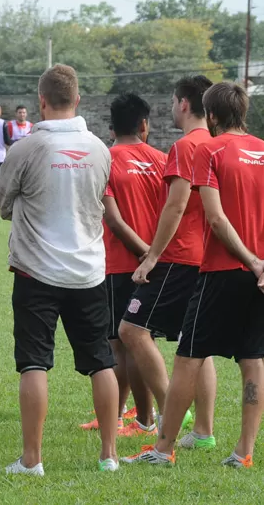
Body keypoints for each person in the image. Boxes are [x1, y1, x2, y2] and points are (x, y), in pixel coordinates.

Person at [123, 82, 264, 469]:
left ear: (212, 115)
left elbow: (215, 218)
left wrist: (250, 260)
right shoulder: (263, 150)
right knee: (252, 360)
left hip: (221, 270)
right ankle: (243, 452)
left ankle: (162, 450)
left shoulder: (208, 150)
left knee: (188, 357)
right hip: (258, 275)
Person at [0, 65, 119, 475]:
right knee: (101, 360)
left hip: (36, 272)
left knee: (34, 363)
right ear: (79, 100)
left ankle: (32, 459)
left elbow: (4, 206)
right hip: (89, 271)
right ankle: (109, 455)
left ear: (41, 101)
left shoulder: (26, 148)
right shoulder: (101, 149)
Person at [120, 76, 217, 451]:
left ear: (184, 104)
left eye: (174, 100)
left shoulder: (185, 147)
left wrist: (153, 256)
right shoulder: (215, 144)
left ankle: (168, 414)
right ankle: (204, 433)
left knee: (130, 329)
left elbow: (176, 205)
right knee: (195, 344)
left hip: (179, 257)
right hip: (205, 256)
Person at [88, 94, 163, 437]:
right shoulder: (163, 160)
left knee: (122, 344)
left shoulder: (105, 160)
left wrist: (143, 255)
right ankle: (121, 415)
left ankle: (140, 420)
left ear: (111, 126)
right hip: (159, 263)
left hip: (120, 263)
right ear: (144, 124)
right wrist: (154, 255)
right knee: (141, 340)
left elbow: (114, 221)